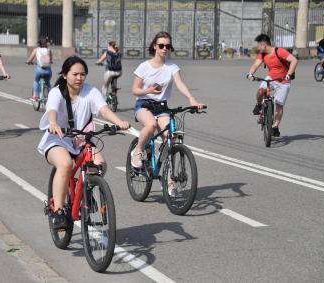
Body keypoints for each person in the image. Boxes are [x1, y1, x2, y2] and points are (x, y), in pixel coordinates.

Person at [37, 56, 129, 229]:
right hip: (57, 139)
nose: (79, 78)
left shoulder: (91, 91)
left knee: (100, 164)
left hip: (81, 140)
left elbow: (104, 110)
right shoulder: (57, 92)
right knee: (65, 164)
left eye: (83, 74)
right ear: (64, 75)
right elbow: (52, 109)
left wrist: (118, 122)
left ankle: (85, 190)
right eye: (75, 74)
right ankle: (57, 211)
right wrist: (52, 123)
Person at [130, 31, 205, 195]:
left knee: (171, 138)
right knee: (150, 125)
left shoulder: (172, 67)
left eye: (168, 46)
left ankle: (170, 182)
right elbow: (135, 90)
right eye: (161, 45)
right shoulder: (144, 66)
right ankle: (138, 151)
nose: (165, 49)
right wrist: (149, 90)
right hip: (143, 105)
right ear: (154, 47)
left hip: (162, 107)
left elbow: (180, 84)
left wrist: (192, 100)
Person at [246, 34, 298, 137]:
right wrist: (250, 74)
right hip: (271, 78)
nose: (257, 48)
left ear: (264, 45)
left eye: (258, 45)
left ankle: (275, 126)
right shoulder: (263, 54)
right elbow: (256, 64)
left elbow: (294, 60)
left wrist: (289, 74)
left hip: (283, 81)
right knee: (261, 91)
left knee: (279, 105)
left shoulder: (279, 51)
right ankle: (259, 105)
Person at [26, 37, 53, 102]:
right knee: (48, 82)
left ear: (39, 43)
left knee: (36, 81)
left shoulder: (36, 50)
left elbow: (30, 59)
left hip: (40, 70)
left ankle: (34, 97)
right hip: (48, 70)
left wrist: (28, 62)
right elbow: (51, 60)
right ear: (46, 43)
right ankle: (51, 97)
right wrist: (50, 61)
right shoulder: (49, 50)